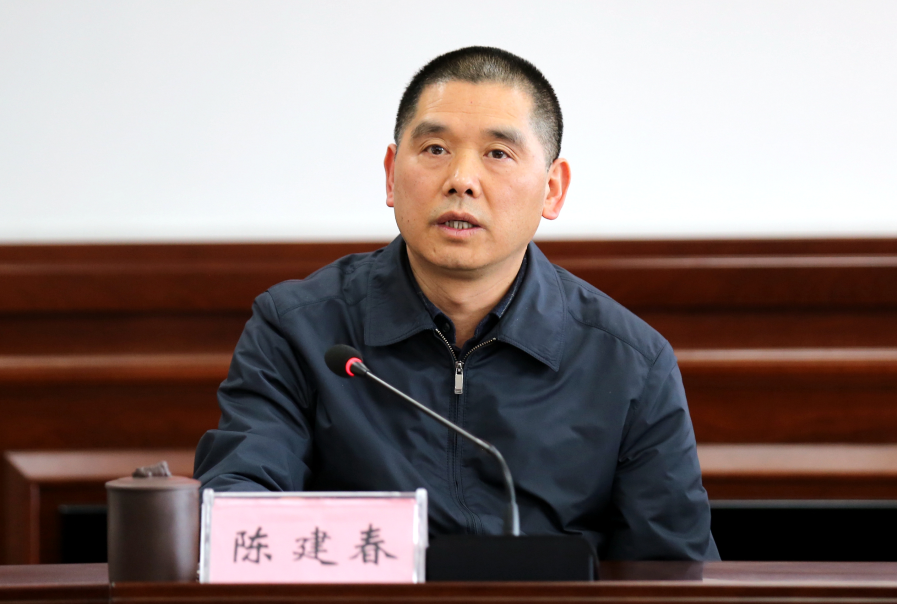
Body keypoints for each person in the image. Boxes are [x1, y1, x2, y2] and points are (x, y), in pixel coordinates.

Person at [194, 47, 718, 561]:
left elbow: (673, 571)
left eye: (498, 154)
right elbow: (239, 515)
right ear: (391, 174)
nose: (461, 181)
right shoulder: (299, 330)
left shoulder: (630, 362)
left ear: (553, 190)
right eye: (435, 149)